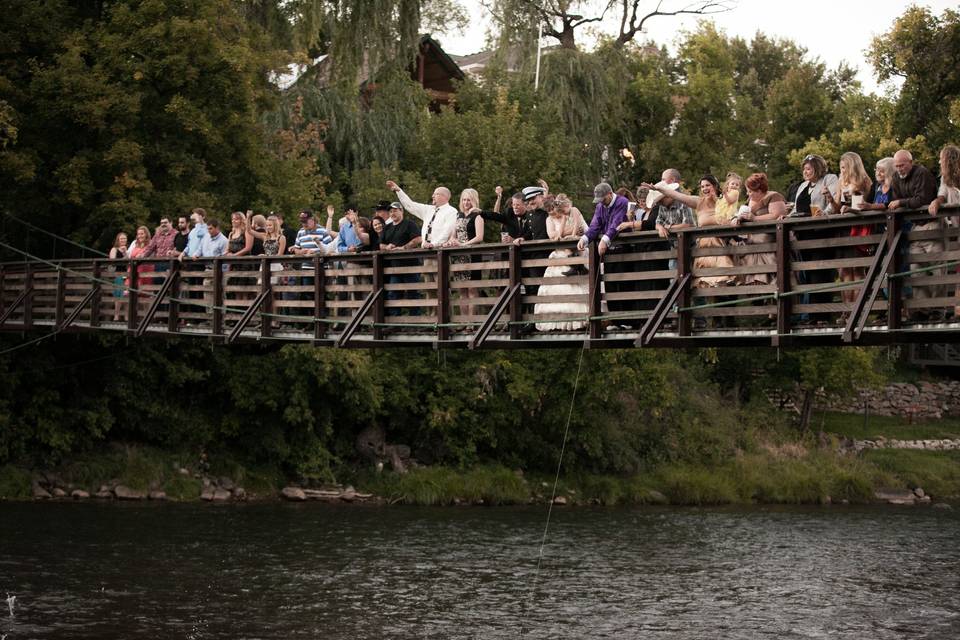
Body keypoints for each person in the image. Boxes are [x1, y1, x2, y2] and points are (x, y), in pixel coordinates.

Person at [648, 175, 736, 290]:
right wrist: (658, 189)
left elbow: (733, 216)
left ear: (714, 186)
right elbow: (677, 195)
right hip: (704, 251)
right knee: (706, 287)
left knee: (725, 285)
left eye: (708, 185)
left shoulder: (725, 201)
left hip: (723, 247)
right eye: (702, 186)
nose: (705, 188)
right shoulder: (698, 202)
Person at [890, 149, 941, 314]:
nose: (899, 169)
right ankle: (923, 310)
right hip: (914, 227)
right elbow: (894, 201)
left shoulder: (922, 173)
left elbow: (923, 199)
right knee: (916, 269)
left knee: (937, 266)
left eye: (902, 165)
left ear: (910, 162)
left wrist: (901, 202)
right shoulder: (896, 178)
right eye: (897, 166)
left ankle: (939, 308)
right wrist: (901, 203)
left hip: (931, 224)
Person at [791, 155, 840, 322]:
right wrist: (787, 216)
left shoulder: (829, 179)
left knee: (821, 272)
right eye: (804, 169)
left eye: (809, 169)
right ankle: (811, 315)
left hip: (822, 233)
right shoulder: (803, 186)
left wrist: (824, 213)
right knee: (808, 274)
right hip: (804, 235)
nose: (805, 172)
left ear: (817, 168)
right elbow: (796, 208)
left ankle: (823, 315)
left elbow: (833, 205)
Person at [578, 182, 633, 327]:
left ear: (610, 194)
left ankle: (628, 321)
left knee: (623, 284)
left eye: (603, 199)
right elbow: (595, 226)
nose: (602, 202)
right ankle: (616, 321)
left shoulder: (622, 202)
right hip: (609, 251)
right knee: (610, 285)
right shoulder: (600, 207)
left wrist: (604, 240)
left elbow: (616, 223)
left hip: (623, 248)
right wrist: (584, 238)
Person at [535, 194, 588, 331]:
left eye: (554, 208)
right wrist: (565, 233)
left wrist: (566, 233)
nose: (553, 212)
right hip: (560, 251)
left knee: (576, 284)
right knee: (557, 284)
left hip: (576, 248)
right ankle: (556, 321)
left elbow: (579, 229)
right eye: (550, 210)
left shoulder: (570, 213)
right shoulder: (549, 220)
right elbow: (553, 236)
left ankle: (580, 318)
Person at [834, 152, 877, 310]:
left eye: (844, 167)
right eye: (841, 167)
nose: (842, 170)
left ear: (852, 166)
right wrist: (831, 200)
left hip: (858, 227)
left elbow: (861, 206)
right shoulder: (840, 181)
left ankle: (856, 310)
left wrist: (850, 207)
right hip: (843, 228)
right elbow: (837, 207)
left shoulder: (864, 181)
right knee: (844, 271)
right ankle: (846, 310)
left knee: (858, 269)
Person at [732, 173, 787, 286]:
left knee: (772, 277)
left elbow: (777, 215)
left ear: (759, 190)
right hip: (751, 244)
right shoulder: (750, 200)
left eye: (750, 191)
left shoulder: (774, 196)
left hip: (770, 243)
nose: (748, 194)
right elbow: (741, 212)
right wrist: (737, 219)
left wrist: (754, 218)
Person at [928, 144, 960, 318]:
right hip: (956, 228)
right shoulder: (945, 179)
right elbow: (942, 194)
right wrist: (936, 203)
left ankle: (957, 309)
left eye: (941, 158)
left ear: (948, 159)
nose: (939, 161)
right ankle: (957, 309)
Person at [385, 180, 458, 249]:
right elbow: (410, 205)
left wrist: (433, 244)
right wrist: (399, 191)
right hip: (426, 250)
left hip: (442, 251)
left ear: (445, 197)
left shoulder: (451, 211)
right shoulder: (428, 210)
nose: (432, 196)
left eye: (436, 194)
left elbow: (448, 231)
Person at [380, 201, 423, 316]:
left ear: (401, 211)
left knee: (413, 293)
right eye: (390, 211)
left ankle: (416, 322)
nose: (392, 213)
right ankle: (395, 323)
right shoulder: (387, 227)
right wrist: (387, 247)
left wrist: (404, 247)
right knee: (393, 294)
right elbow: (380, 245)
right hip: (394, 267)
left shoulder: (409, 224)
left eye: (395, 210)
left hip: (410, 265)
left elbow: (418, 239)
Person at [447, 188, 485, 320]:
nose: (466, 202)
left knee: (472, 290)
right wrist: (451, 242)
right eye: (464, 199)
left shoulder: (478, 216)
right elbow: (453, 235)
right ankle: (463, 321)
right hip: (459, 257)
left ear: (474, 200)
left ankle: (472, 322)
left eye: (468, 199)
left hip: (472, 255)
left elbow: (479, 237)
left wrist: (464, 244)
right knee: (461, 290)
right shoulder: (458, 215)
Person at [109, 231, 128, 322]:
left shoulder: (126, 249)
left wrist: (125, 253)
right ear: (118, 240)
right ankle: (116, 316)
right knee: (119, 295)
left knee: (126, 295)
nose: (123, 240)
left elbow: (129, 261)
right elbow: (113, 261)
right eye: (121, 238)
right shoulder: (114, 249)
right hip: (118, 274)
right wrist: (124, 256)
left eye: (124, 238)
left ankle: (126, 316)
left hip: (127, 274)